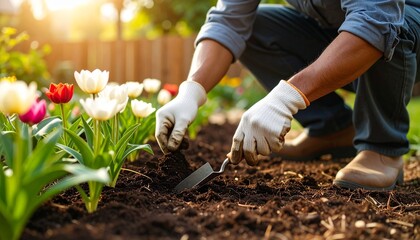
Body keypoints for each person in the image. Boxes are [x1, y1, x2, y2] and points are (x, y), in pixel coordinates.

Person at [155, 0, 420, 191]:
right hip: (342, 30)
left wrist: (286, 97)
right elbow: (228, 22)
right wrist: (192, 91)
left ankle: (382, 148)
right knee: (256, 26)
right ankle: (332, 129)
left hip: (402, 28)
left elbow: (376, 21)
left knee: (394, 25)